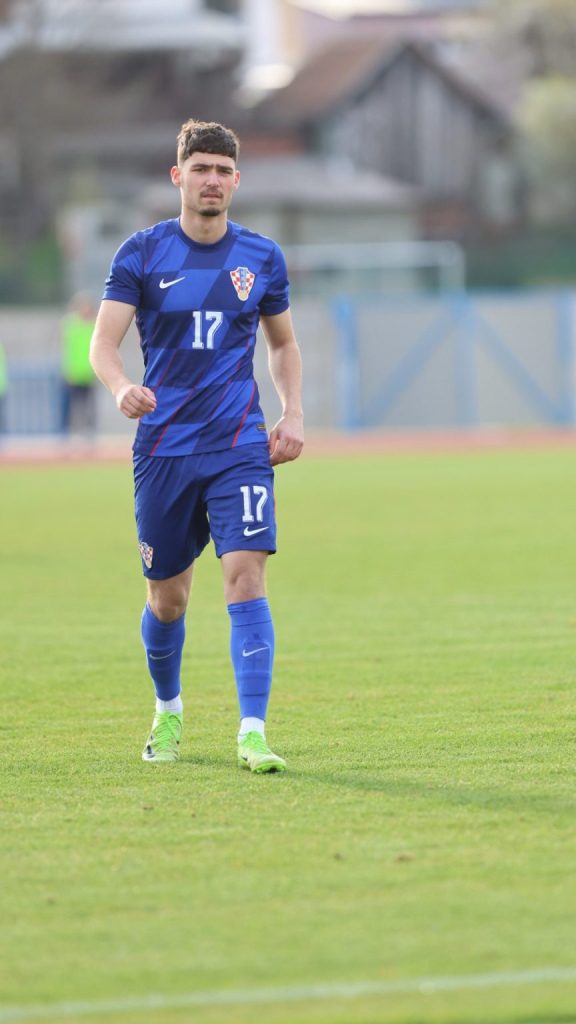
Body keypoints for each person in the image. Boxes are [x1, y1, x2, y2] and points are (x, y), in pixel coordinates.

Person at [89, 119, 304, 772]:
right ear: (178, 176)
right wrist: (122, 386)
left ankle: (253, 733)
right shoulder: (142, 253)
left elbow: (283, 344)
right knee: (168, 599)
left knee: (246, 576)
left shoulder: (261, 257)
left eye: (222, 171)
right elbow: (103, 343)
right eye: (201, 168)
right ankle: (168, 710)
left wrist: (293, 412)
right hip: (164, 449)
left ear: (236, 181)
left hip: (238, 444)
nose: (212, 180)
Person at [61, 292, 98, 437]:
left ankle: (89, 431)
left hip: (89, 372)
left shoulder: (94, 325)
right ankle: (70, 430)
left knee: (89, 404)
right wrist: (68, 370)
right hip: (75, 372)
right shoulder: (71, 324)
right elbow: (68, 350)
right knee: (73, 404)